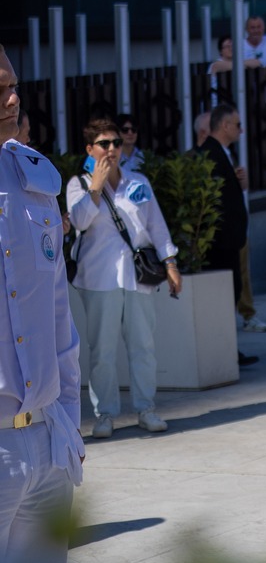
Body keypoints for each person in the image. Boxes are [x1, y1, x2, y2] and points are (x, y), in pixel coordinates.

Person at [0, 47, 85, 563]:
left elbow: (58, 316)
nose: (12, 99)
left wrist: (69, 421)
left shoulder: (33, 177)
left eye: (12, 85)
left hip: (48, 442)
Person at [66, 118, 181, 438]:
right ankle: (104, 414)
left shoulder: (137, 182)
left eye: (116, 143)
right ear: (90, 149)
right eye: (104, 144)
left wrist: (170, 262)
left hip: (137, 276)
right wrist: (96, 186)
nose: (112, 149)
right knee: (102, 351)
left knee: (143, 345)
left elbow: (156, 226)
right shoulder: (78, 184)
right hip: (99, 277)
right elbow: (79, 221)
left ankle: (146, 408)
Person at [197, 104, 260, 364]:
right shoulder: (210, 154)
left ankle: (229, 350)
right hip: (221, 244)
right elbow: (216, 202)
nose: (240, 130)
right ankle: (223, 353)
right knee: (223, 300)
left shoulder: (222, 153)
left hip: (230, 241)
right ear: (225, 126)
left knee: (231, 295)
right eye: (237, 125)